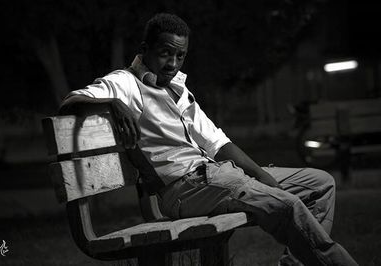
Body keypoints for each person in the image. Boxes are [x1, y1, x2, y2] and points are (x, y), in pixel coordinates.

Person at [59, 13, 357, 266]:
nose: (172, 63)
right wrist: (113, 104)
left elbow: (218, 143)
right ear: (145, 49)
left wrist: (265, 178)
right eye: (165, 52)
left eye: (180, 55)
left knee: (320, 183)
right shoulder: (125, 83)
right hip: (186, 189)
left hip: (218, 176)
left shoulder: (178, 90)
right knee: (289, 206)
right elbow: (71, 101)